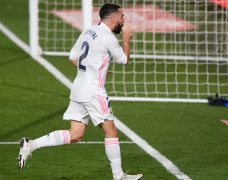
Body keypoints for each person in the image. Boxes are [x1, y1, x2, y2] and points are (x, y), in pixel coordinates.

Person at [17, 3, 143, 180]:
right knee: (111, 131)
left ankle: (31, 145)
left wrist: (94, 68)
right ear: (113, 19)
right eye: (122, 17)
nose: (124, 20)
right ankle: (119, 177)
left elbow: (72, 58)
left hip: (78, 89)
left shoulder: (88, 31)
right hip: (93, 92)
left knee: (76, 134)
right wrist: (126, 38)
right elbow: (123, 60)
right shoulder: (109, 38)